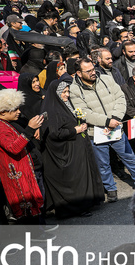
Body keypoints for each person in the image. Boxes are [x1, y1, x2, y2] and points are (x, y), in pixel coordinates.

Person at [69, 57, 135, 202]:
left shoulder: (106, 79)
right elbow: (83, 112)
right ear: (79, 73)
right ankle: (111, 189)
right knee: (103, 164)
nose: (93, 72)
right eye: (88, 71)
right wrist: (106, 121)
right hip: (96, 133)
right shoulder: (74, 90)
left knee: (130, 158)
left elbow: (120, 98)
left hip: (116, 128)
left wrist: (115, 118)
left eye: (93, 68)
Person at [41, 76, 104, 218]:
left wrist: (81, 125)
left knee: (80, 178)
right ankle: (75, 208)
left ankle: (85, 204)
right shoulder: (53, 110)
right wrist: (75, 130)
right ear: (56, 93)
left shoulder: (65, 105)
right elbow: (54, 133)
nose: (67, 95)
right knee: (74, 181)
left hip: (76, 149)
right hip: (66, 152)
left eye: (68, 91)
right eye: (63, 92)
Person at [0, 88, 48, 234]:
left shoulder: (5, 123)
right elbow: (14, 147)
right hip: (15, 175)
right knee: (26, 206)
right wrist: (29, 129)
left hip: (22, 170)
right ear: (3, 111)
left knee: (32, 202)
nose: (18, 112)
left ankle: (38, 231)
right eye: (14, 109)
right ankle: (34, 235)